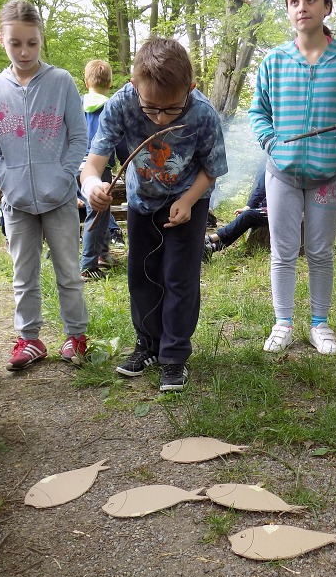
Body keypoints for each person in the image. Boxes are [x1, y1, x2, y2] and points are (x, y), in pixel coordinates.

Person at [81, 37, 228, 391]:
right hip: (141, 202)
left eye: (172, 109)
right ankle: (148, 343)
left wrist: (190, 201)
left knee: (179, 277)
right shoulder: (119, 106)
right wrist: (91, 188)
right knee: (141, 275)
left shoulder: (203, 113)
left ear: (190, 89)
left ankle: (174, 356)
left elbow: (213, 168)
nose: (161, 119)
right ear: (134, 87)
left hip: (186, 205)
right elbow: (93, 163)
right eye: (151, 109)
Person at [248, 0, 336, 357]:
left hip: (326, 176)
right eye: (294, 1)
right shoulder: (274, 61)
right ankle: (282, 322)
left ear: (327, 6)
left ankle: (321, 324)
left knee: (319, 251)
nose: (302, 7)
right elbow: (258, 112)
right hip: (281, 173)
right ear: (288, 10)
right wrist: (272, 144)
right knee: (283, 252)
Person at [0, 0, 90, 369]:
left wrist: (63, 175)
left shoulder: (60, 82)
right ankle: (30, 340)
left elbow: (79, 137)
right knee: (23, 275)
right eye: (15, 43)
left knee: (68, 272)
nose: (24, 51)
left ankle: (76, 336)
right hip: (16, 201)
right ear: (1, 40)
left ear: (42, 39)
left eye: (32, 43)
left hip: (59, 199)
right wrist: (6, 180)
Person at [80, 59, 128, 281]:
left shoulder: (78, 105)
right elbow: (118, 139)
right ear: (109, 83)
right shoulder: (111, 107)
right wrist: (125, 160)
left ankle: (102, 254)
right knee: (97, 214)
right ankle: (88, 264)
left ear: (86, 81)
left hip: (75, 165)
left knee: (102, 212)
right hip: (98, 167)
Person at [203, 161, 269, 260]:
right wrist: (247, 207)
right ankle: (211, 248)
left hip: (281, 211)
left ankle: (210, 239)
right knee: (247, 216)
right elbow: (260, 190)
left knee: (249, 216)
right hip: (265, 208)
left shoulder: (290, 169)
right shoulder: (271, 167)